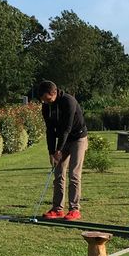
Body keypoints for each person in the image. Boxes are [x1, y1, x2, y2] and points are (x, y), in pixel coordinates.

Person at [36, 80, 88, 220]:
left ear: (54, 93)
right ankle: (57, 209)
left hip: (78, 138)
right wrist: (51, 152)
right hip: (63, 140)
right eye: (43, 100)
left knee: (74, 174)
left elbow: (67, 128)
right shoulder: (46, 106)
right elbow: (50, 131)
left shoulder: (69, 101)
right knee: (58, 173)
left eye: (47, 99)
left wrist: (59, 149)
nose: (45, 102)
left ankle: (74, 209)